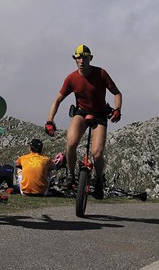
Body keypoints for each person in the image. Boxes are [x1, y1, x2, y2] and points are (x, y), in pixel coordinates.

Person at [45, 44, 122, 199]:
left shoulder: (101, 73)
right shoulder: (72, 78)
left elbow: (117, 93)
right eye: (78, 58)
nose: (81, 60)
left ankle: (99, 180)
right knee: (71, 143)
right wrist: (49, 120)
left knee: (97, 153)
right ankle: (71, 175)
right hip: (81, 112)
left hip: (100, 114)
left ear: (90, 58)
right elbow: (57, 100)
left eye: (84, 57)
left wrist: (117, 109)